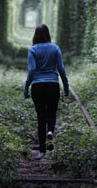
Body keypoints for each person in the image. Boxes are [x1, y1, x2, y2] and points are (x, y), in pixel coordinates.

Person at [23, 24, 69, 160]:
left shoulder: (32, 49)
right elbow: (61, 68)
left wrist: (26, 87)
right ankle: (50, 131)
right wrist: (66, 86)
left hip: (37, 86)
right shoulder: (55, 48)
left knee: (41, 117)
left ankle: (42, 150)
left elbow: (31, 70)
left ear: (35, 35)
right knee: (52, 113)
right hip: (53, 85)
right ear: (48, 34)